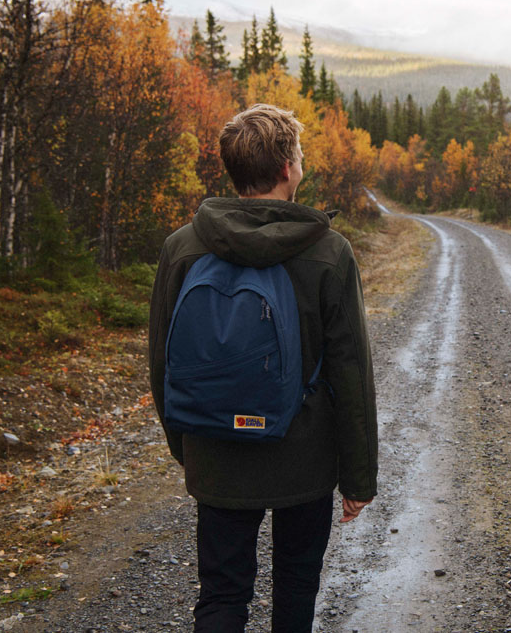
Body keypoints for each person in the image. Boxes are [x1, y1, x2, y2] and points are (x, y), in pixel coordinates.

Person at [148, 103, 377, 632]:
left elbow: (162, 361)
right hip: (305, 456)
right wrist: (358, 475)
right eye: (299, 156)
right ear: (285, 171)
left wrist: (186, 446)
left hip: (216, 448)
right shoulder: (329, 252)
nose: (301, 165)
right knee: (296, 588)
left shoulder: (182, 247)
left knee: (222, 595)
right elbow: (351, 372)